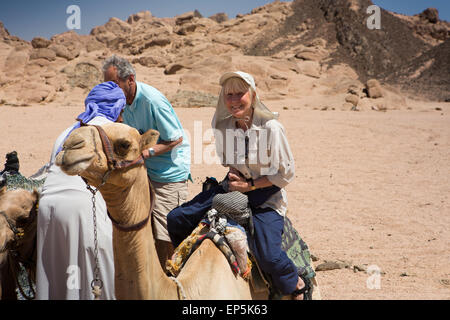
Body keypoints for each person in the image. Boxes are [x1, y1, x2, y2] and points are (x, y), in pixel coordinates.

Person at [167, 71, 310, 300]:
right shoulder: (222, 125)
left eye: (239, 94)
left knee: (270, 257)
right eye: (229, 94)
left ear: (253, 95)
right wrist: (236, 180)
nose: (234, 101)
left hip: (266, 193)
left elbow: (285, 174)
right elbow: (227, 161)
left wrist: (250, 185)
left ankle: (296, 284)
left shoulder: (271, 128)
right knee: (176, 218)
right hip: (233, 186)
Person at [36, 81, 126, 300]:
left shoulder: (67, 131)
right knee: (99, 272)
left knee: (58, 273)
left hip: (49, 207)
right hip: (83, 205)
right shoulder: (115, 131)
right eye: (122, 110)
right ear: (116, 108)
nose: (123, 115)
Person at [102, 55, 191, 267]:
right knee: (141, 229)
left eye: (114, 84)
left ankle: (172, 279)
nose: (110, 90)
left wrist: (145, 153)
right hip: (143, 173)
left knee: (165, 235)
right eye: (106, 85)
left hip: (168, 175)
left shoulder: (152, 101)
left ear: (130, 80)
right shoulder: (122, 102)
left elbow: (175, 138)